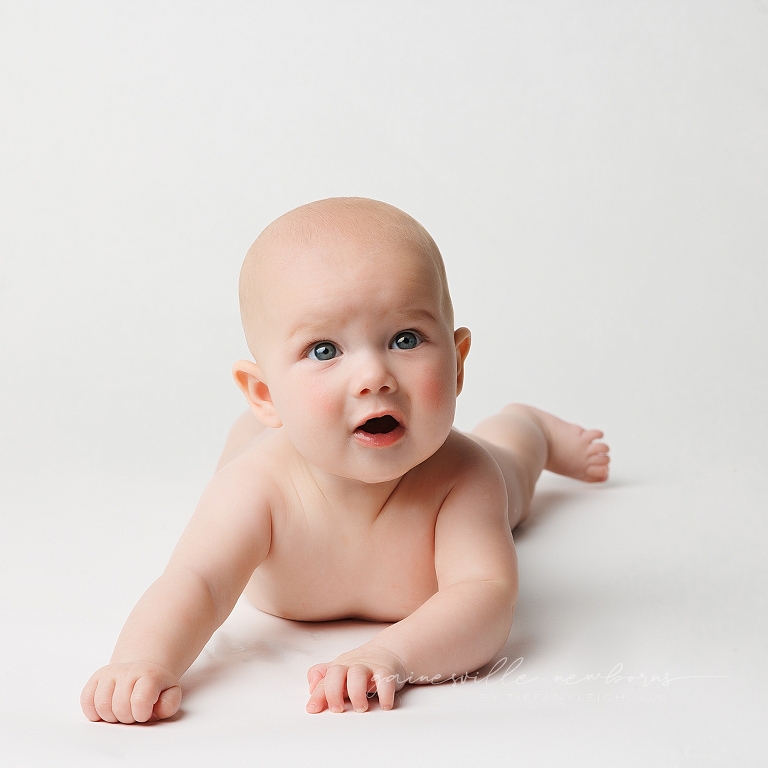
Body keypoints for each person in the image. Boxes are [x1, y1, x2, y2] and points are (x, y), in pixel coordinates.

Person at [81, 197, 609, 722]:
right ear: (263, 392)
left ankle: (530, 426)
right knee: (249, 453)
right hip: (277, 448)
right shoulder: (257, 488)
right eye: (324, 350)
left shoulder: (464, 477)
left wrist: (391, 655)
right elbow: (197, 580)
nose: (373, 376)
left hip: (435, 455)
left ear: (457, 365)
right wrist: (143, 660)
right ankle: (271, 418)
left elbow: (486, 596)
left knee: (511, 462)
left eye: (405, 339)